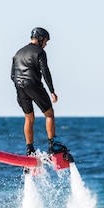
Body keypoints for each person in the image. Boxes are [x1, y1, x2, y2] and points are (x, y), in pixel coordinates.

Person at [11, 27, 67, 156]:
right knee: (49, 114)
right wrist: (52, 91)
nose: (46, 44)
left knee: (29, 118)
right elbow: (45, 71)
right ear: (41, 38)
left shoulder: (18, 53)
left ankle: (29, 149)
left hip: (19, 86)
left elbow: (12, 75)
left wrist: (20, 85)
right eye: (46, 41)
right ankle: (54, 146)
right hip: (33, 84)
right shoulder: (39, 52)